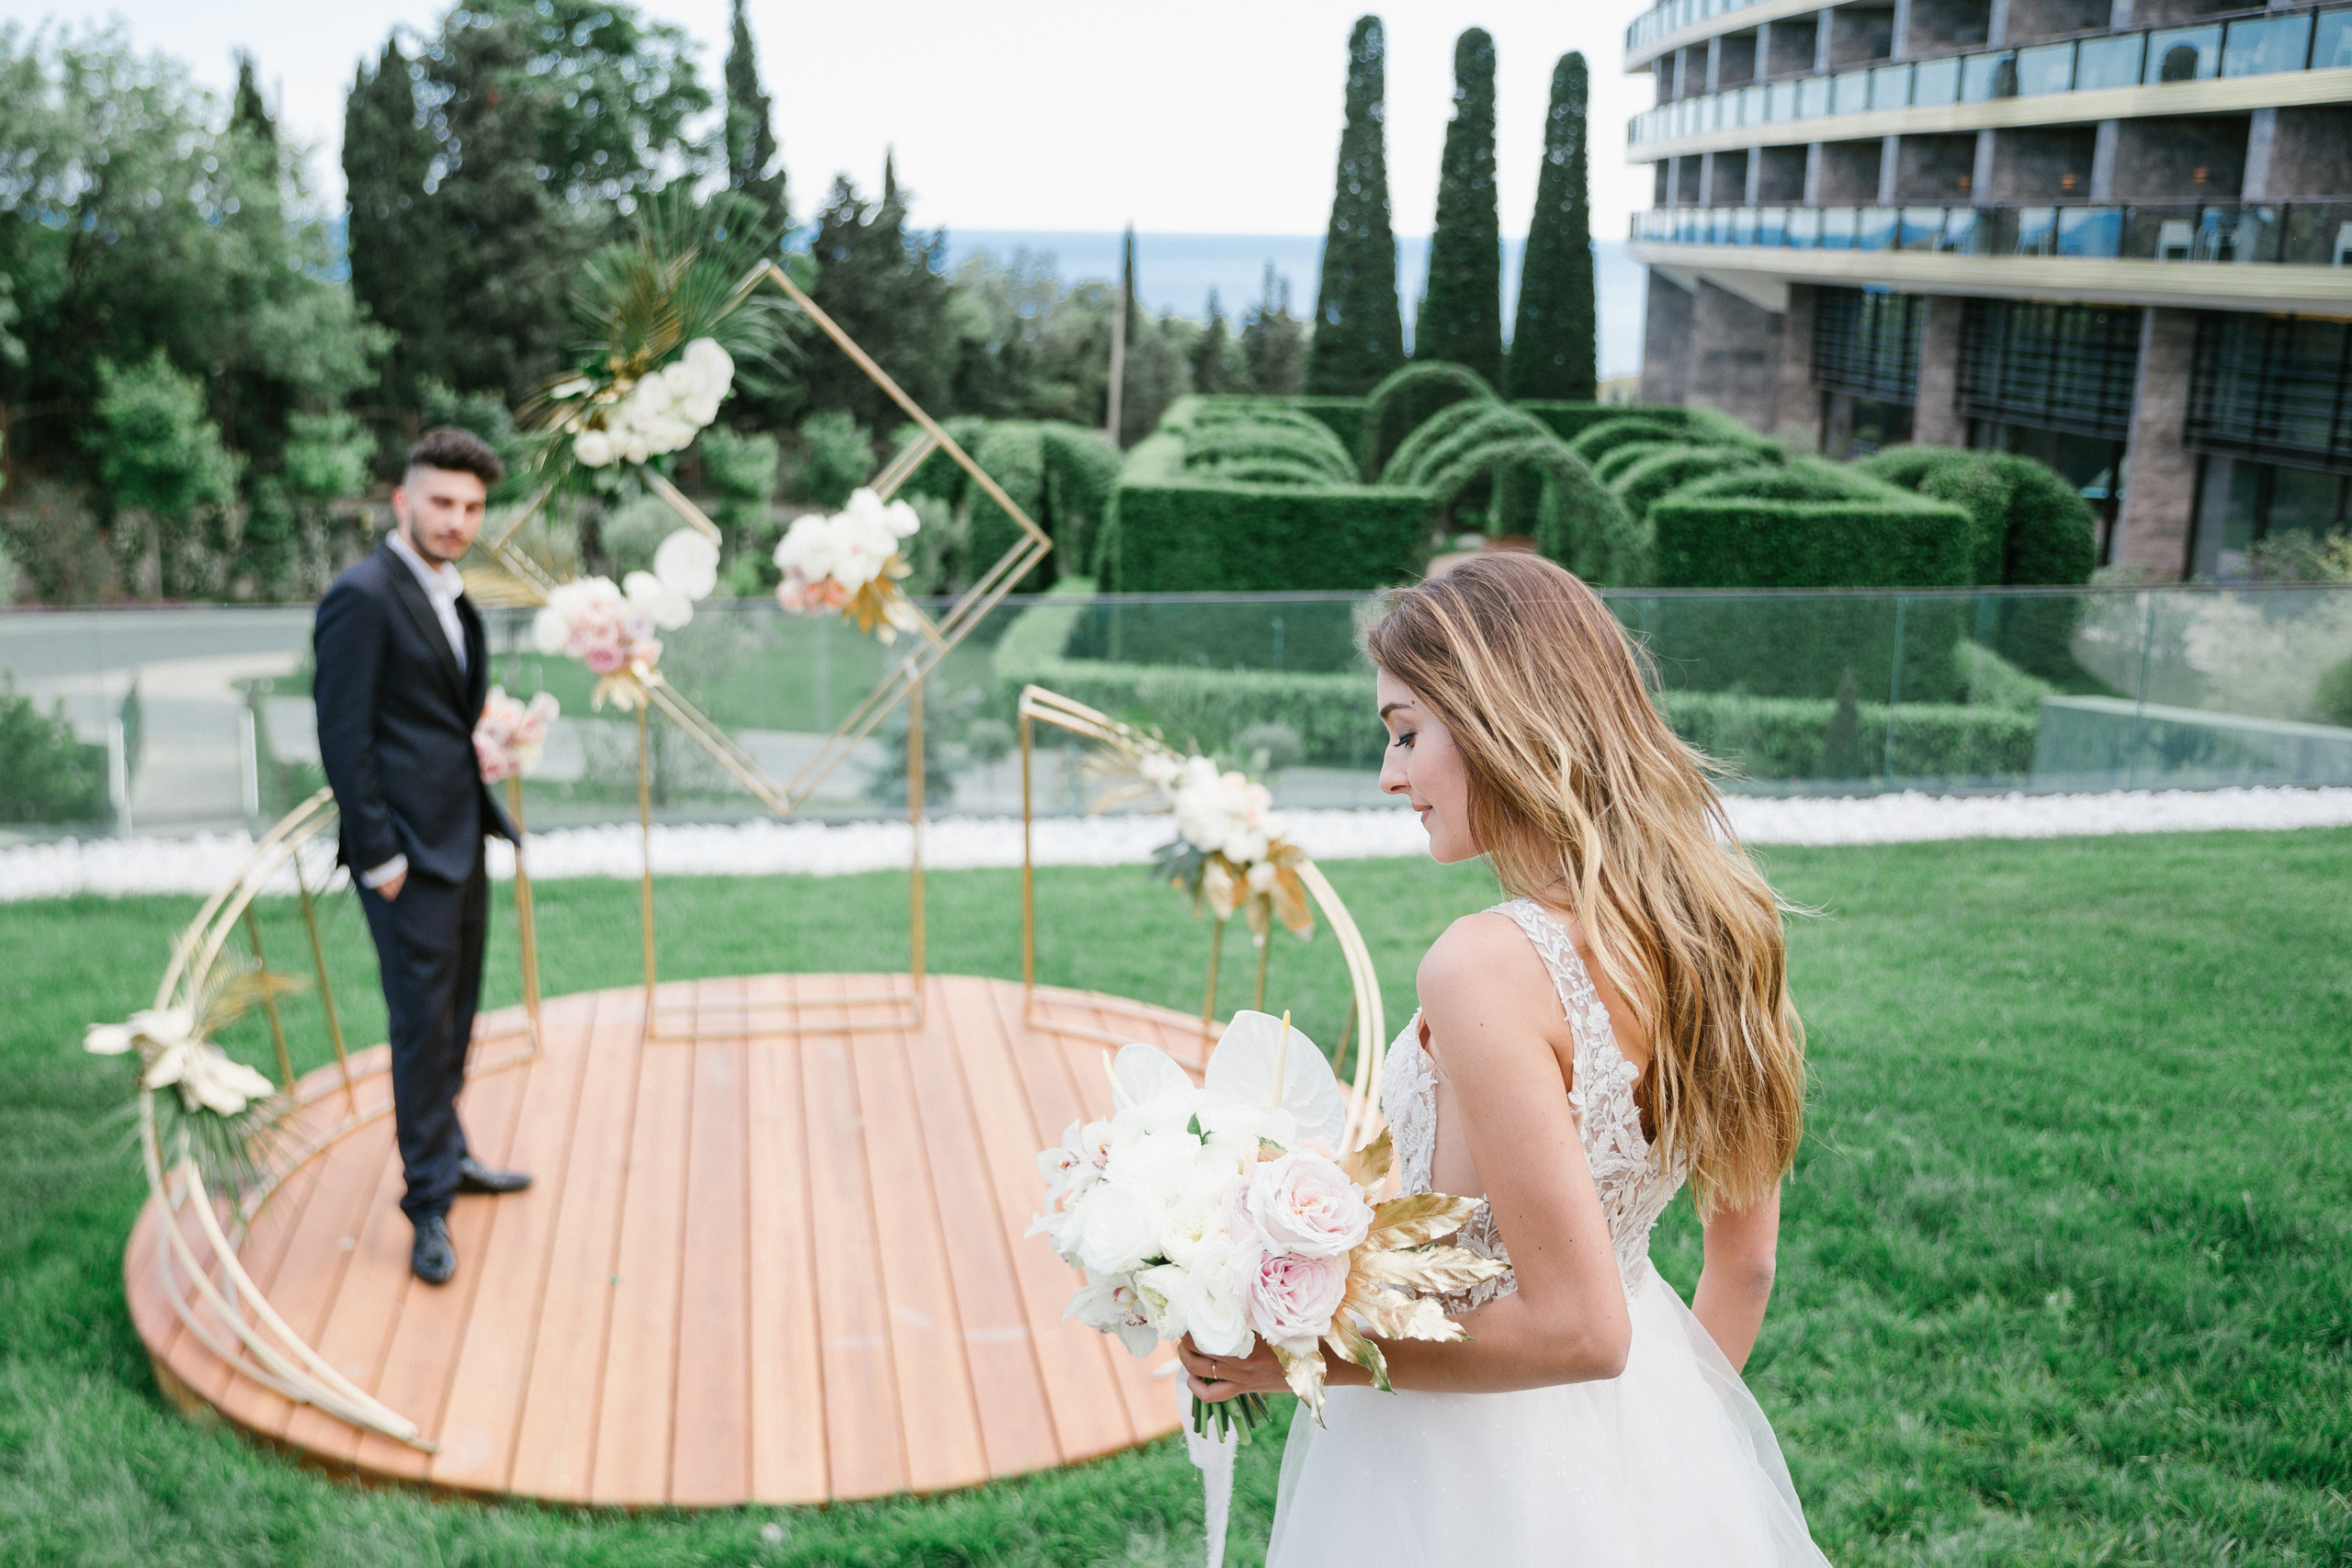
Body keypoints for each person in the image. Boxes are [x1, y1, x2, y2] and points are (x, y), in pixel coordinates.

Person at [1179, 553, 1831, 1564]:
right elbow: (1744, 1265)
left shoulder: (1484, 965)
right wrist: (1674, 1463)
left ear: (1497, 718)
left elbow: (1579, 1329)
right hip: (1646, 1426)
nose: (1390, 775)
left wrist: (1301, 1354)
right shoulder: (1718, 929)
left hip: (1459, 1466)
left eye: (1405, 733)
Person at [313, 427, 532, 1286]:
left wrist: (481, 741)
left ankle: (451, 1151)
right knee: (420, 1027)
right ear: (402, 500)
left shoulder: (449, 590)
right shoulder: (362, 596)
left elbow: (426, 714)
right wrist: (381, 858)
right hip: (405, 859)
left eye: (473, 506)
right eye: (442, 501)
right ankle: (428, 1201)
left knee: (458, 1014)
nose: (458, 519)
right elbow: (344, 736)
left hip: (459, 838)